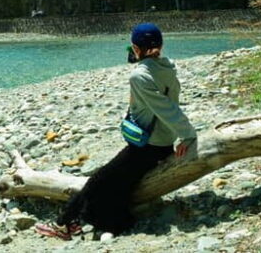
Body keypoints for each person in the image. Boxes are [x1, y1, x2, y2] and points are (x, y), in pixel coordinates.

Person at [34, 23, 197, 240]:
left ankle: (63, 225)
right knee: (116, 182)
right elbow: (170, 102)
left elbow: (166, 109)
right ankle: (98, 221)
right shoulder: (167, 67)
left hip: (147, 147)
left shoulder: (140, 76)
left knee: (96, 182)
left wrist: (188, 134)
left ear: (136, 48)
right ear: (161, 45)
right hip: (161, 141)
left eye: (132, 48)